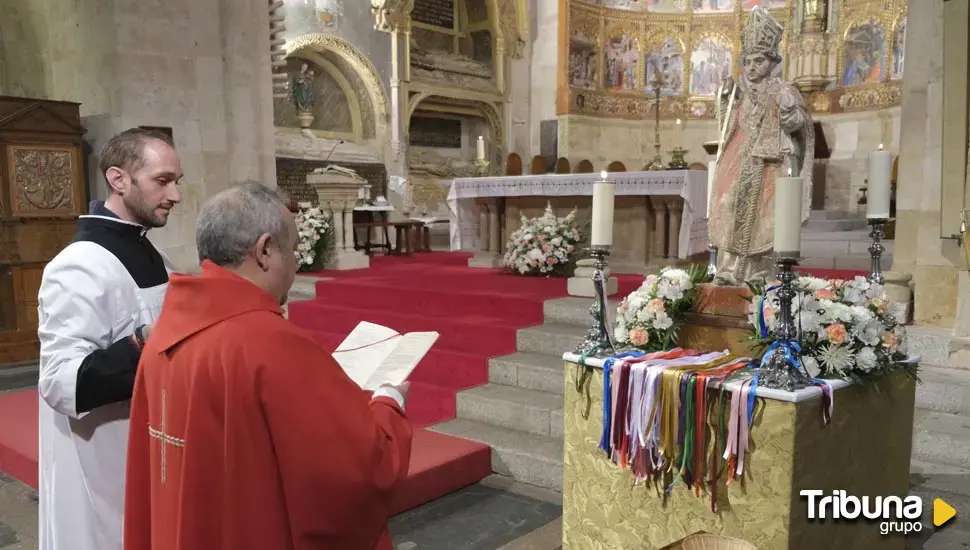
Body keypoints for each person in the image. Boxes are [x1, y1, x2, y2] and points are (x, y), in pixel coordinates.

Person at [123, 182, 413, 550]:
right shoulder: (270, 343)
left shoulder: (165, 332)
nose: (296, 262)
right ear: (264, 251)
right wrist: (389, 402)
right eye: (292, 250)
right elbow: (356, 476)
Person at [37, 127, 183, 550]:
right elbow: (60, 382)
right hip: (104, 457)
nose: (174, 194)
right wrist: (145, 341)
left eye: (177, 182)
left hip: (149, 444)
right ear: (119, 180)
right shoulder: (77, 265)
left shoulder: (155, 255)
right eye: (163, 181)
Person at [708, 7, 814, 285]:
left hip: (771, 163)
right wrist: (724, 98)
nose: (753, 67)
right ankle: (728, 269)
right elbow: (727, 123)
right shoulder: (740, 93)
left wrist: (791, 117)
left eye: (759, 61)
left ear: (772, 62)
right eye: (748, 61)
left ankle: (758, 273)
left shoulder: (784, 90)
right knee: (729, 207)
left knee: (766, 217)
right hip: (739, 161)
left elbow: (800, 123)